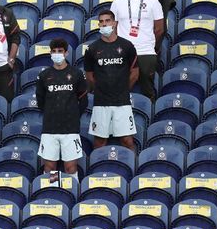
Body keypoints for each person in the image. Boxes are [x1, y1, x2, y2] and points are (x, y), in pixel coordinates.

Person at [84, 10, 139, 152]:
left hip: (122, 101)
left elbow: (135, 73)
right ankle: (97, 172)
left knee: (127, 140)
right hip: (101, 102)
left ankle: (132, 170)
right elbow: (89, 76)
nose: (104, 24)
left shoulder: (127, 46)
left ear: (114, 23)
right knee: (99, 142)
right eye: (101, 21)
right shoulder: (92, 49)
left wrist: (122, 90)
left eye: (107, 20)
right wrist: (102, 90)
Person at [35, 38, 88, 181]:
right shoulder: (44, 75)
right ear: (50, 53)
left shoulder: (76, 74)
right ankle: (50, 194)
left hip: (70, 128)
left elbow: (83, 100)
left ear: (66, 53)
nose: (57, 54)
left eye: (60, 51)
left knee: (70, 167)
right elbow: (40, 102)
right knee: (50, 168)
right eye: (54, 51)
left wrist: (73, 115)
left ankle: (73, 193)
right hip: (50, 129)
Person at [110, 0, 164, 102]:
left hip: (146, 51)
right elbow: (113, 28)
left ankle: (149, 116)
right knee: (121, 87)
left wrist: (152, 44)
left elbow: (159, 29)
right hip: (123, 52)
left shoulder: (153, 2)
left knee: (147, 90)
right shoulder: (117, 3)